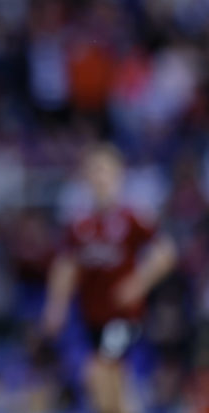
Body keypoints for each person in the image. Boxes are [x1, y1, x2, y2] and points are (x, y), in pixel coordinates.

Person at [42, 143, 177, 413]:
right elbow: (66, 266)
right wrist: (56, 306)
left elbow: (165, 252)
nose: (99, 177)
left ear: (119, 175)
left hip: (123, 316)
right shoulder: (80, 223)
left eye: (105, 170)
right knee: (112, 391)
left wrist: (139, 282)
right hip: (92, 317)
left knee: (97, 371)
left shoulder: (131, 217)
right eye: (94, 171)